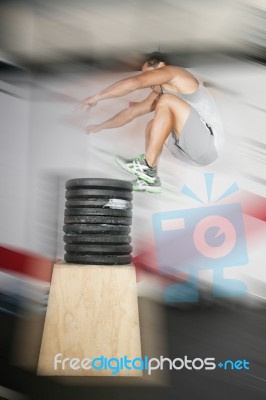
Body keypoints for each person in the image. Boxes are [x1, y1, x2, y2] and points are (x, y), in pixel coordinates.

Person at [80, 52, 224, 193]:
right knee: (152, 124)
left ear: (161, 66)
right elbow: (131, 113)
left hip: (208, 144)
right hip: (187, 153)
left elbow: (135, 83)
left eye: (148, 74)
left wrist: (97, 97)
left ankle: (147, 166)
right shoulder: (160, 93)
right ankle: (151, 177)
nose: (148, 82)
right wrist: (100, 126)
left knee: (166, 101)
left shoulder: (175, 74)